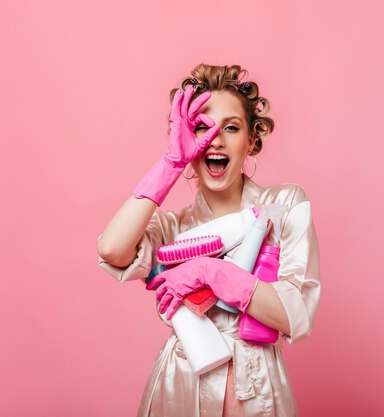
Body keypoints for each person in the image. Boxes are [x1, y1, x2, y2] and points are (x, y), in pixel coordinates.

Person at [97, 64, 321, 417]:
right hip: (180, 386)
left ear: (251, 141)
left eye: (231, 127)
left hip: (258, 389)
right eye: (202, 127)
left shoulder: (283, 206)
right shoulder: (172, 229)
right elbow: (111, 249)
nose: (215, 139)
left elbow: (295, 314)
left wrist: (209, 271)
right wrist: (172, 162)